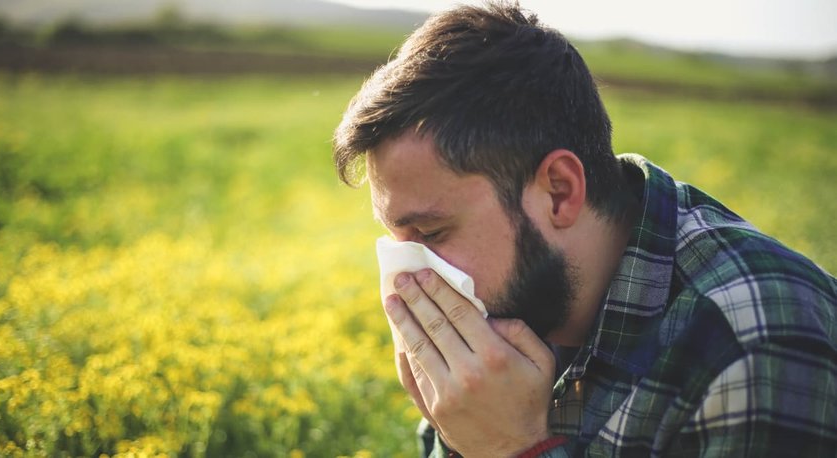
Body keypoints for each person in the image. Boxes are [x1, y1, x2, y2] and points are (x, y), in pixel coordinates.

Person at [332, 2, 837, 457]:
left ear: (559, 191)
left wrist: (513, 450)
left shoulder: (756, 341)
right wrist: (456, 432)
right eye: (397, 239)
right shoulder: (519, 309)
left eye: (432, 232)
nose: (408, 277)